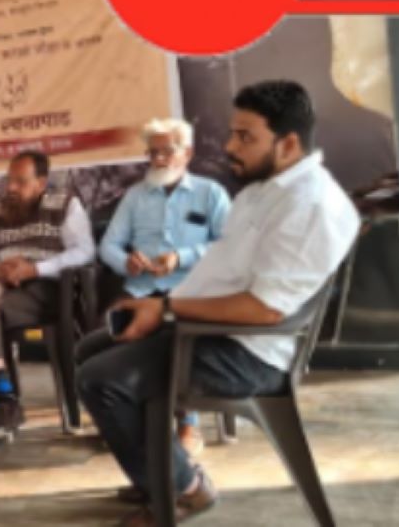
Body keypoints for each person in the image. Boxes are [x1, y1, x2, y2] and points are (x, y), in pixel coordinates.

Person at [76, 81, 359, 526]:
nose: (230, 146)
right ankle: (161, 471)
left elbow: (265, 310)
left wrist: (165, 311)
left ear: (288, 144)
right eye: (232, 133)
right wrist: (163, 306)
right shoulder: (265, 190)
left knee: (101, 379)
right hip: (206, 325)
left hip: (247, 351)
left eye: (245, 136)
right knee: (91, 348)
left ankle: (186, 489)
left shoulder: (308, 205)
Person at [94, 118, 231, 456]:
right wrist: (126, 262)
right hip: (141, 289)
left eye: (167, 151)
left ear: (188, 153)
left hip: (192, 290)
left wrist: (181, 257)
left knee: (176, 333)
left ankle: (188, 423)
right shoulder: (136, 196)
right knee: (110, 327)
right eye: (152, 152)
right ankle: (129, 421)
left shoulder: (209, 193)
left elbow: (230, 245)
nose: (158, 159)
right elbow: (109, 245)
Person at [0, 151, 95, 453]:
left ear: (41, 183)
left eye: (21, 182)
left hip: (44, 290)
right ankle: (3, 396)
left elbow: (84, 251)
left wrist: (36, 269)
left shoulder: (65, 204)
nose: (11, 187)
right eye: (10, 180)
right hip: (4, 283)